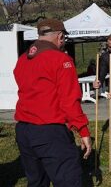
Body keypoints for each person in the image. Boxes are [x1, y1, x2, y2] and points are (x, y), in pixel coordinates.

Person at [14, 18, 91, 186]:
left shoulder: (22, 60)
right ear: (60, 36)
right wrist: (83, 131)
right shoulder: (60, 60)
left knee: (36, 182)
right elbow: (70, 100)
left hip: (24, 130)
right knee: (68, 180)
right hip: (50, 131)